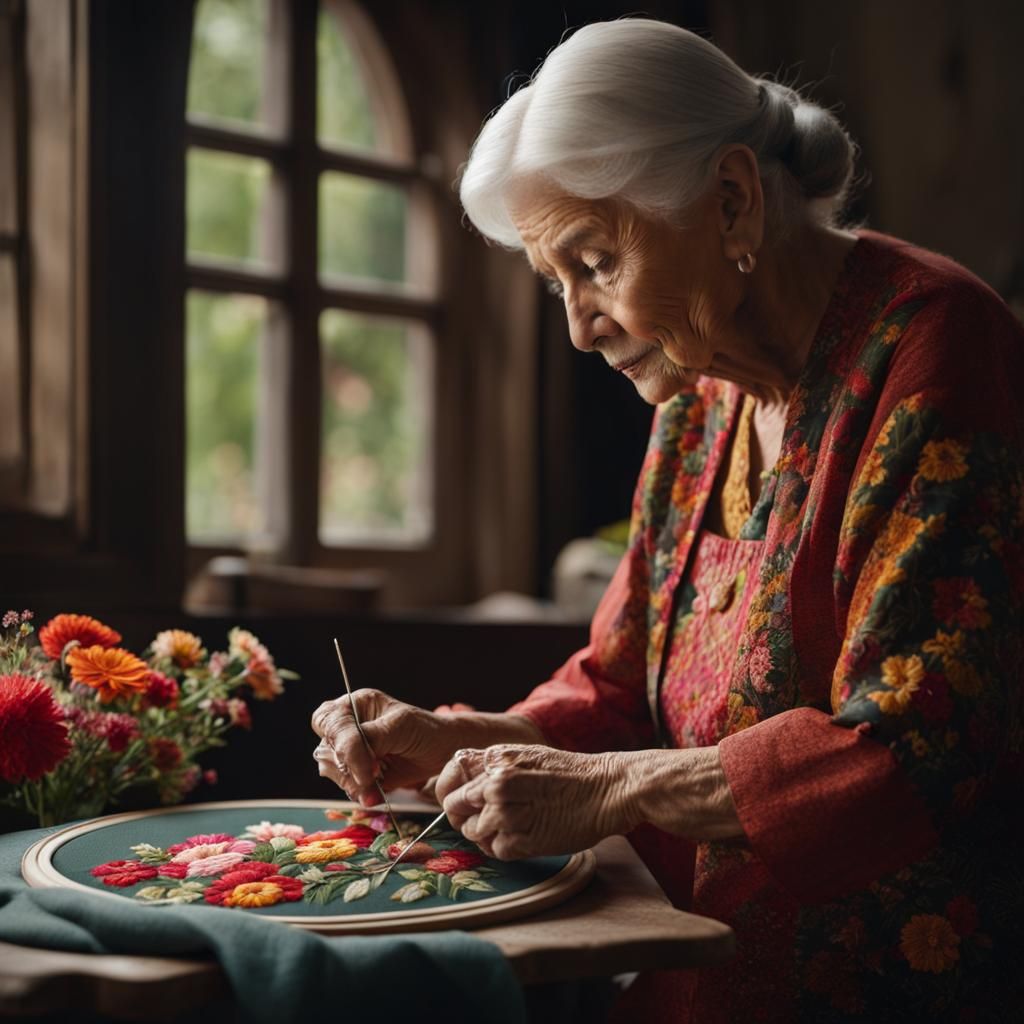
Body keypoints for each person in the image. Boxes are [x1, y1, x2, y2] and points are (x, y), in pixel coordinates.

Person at [312, 19, 1023, 1022]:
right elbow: (616, 684)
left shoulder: (935, 349)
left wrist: (611, 790)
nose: (577, 324)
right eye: (556, 284)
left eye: (595, 263)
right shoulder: (699, 392)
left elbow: (912, 746)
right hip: (696, 971)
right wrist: (453, 742)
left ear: (730, 200)